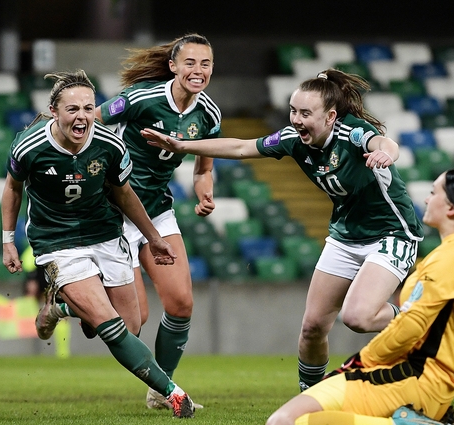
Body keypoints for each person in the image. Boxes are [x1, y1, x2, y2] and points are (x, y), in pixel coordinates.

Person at [142, 68, 424, 391]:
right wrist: (183, 146)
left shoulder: (351, 133)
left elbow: (383, 141)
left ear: (331, 116)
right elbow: (241, 148)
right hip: (346, 235)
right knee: (312, 327)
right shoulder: (293, 140)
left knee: (357, 317)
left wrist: (386, 153)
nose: (296, 119)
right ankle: (311, 395)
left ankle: (421, 316)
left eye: (306, 113)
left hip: (392, 232)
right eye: (293, 111)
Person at [0, 69, 196, 418]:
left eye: (89, 108)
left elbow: (124, 194)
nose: (82, 116)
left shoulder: (110, 145)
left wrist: (153, 238)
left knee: (131, 325)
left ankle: (59, 308)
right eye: (73, 109)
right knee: (109, 324)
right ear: (54, 111)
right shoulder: (29, 146)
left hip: (105, 235)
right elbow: (12, 188)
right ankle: (173, 393)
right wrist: (7, 241)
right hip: (56, 242)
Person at [262, 168, 454, 425]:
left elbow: (409, 327)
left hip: (411, 381)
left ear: (452, 208)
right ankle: (420, 420)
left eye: (434, 192)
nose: (427, 200)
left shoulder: (453, 259)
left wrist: (361, 362)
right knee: (298, 415)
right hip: (430, 384)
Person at [95, 33, 219, 409]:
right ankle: (65, 301)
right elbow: (89, 124)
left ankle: (161, 392)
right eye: (191, 63)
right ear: (173, 66)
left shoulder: (209, 114)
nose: (198, 71)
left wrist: (204, 193)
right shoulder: (141, 98)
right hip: (115, 213)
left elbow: (203, 168)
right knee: (134, 322)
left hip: (158, 212)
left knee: (181, 304)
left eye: (206, 64)